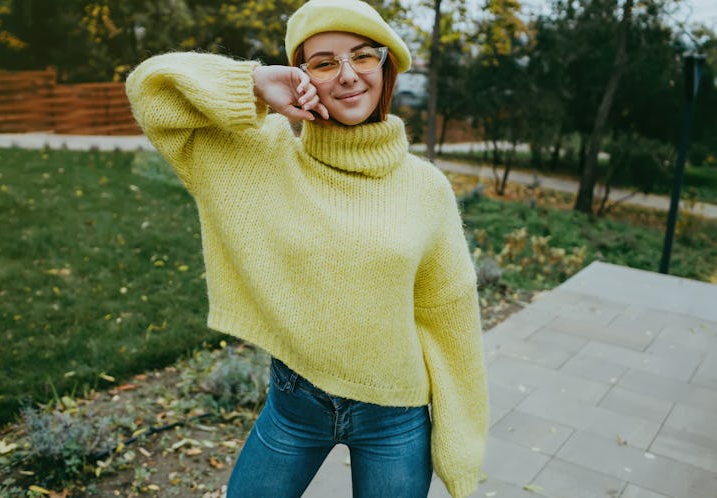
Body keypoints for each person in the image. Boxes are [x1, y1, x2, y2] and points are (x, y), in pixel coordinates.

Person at [125, 0, 488, 497]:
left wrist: (460, 444)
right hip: (295, 408)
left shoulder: (427, 188)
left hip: (395, 418)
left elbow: (448, 314)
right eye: (323, 62)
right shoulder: (262, 158)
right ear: (301, 75)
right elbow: (152, 88)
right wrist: (253, 85)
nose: (347, 75)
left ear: (387, 66)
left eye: (363, 56)